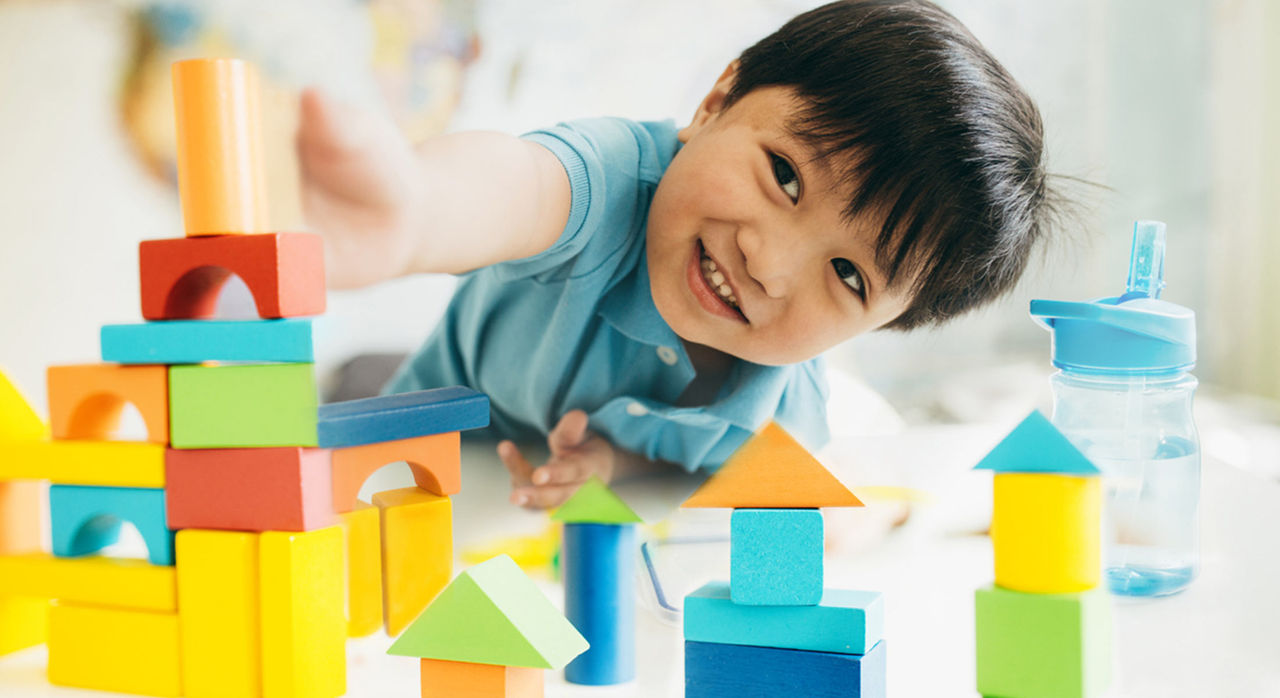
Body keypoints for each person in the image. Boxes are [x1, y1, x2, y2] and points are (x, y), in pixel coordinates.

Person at [297, 0, 1060, 509]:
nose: (770, 264)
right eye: (785, 175)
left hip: (526, 474)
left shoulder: (782, 416)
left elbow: (696, 460)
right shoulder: (616, 181)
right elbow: (520, 186)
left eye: (850, 274)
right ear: (716, 102)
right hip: (430, 406)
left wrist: (610, 463)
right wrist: (416, 210)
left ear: (878, 327)